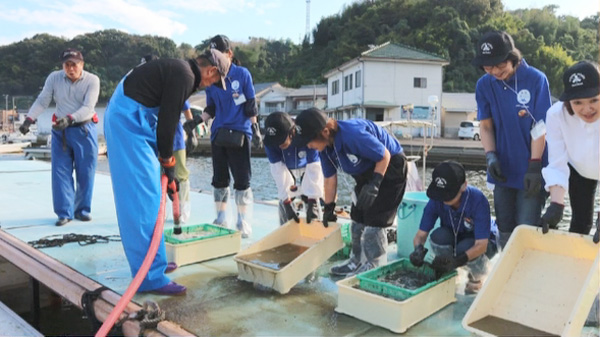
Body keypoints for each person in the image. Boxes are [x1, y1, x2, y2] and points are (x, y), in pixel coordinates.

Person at [104, 49, 230, 296]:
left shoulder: (180, 70)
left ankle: (155, 263)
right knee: (143, 200)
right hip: (127, 122)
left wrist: (166, 164)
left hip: (136, 119)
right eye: (215, 80)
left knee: (153, 198)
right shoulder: (184, 75)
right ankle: (148, 277)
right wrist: (169, 163)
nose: (211, 86)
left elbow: (164, 121)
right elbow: (168, 123)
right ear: (211, 71)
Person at [293, 108, 408, 276]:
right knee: (357, 218)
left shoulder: (352, 135)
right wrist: (329, 208)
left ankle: (374, 266)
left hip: (390, 168)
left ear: (324, 132)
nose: (308, 145)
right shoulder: (325, 149)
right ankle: (356, 261)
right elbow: (329, 180)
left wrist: (375, 185)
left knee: (374, 224)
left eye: (309, 140)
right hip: (367, 172)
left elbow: (384, 156)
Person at [472, 31, 552, 248]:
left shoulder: (536, 79)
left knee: (526, 226)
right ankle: (506, 273)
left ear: (512, 57)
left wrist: (535, 166)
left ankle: (528, 275)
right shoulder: (484, 85)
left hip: (531, 167)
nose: (495, 71)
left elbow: (540, 126)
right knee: (505, 226)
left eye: (499, 65)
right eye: (488, 68)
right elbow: (486, 125)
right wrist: (490, 156)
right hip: (503, 168)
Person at [184, 34, 262, 238]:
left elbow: (250, 104)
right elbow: (211, 108)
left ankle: (242, 221)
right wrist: (197, 121)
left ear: (229, 54)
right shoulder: (211, 77)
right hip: (218, 133)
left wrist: (255, 129)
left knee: (242, 180)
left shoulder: (242, 74)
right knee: (219, 180)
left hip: (239, 133)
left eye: (220, 52)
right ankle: (220, 217)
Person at [19, 48, 100, 227]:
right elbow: (42, 101)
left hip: (84, 130)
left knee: (85, 172)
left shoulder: (92, 80)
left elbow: (88, 107)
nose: (70, 69)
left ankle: (82, 210)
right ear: (63, 65)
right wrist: (29, 119)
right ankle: (64, 213)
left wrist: (70, 119)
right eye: (67, 65)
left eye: (74, 65)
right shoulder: (54, 78)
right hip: (60, 132)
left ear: (82, 65)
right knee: (60, 173)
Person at [410, 161, 498, 294]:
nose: (444, 199)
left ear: (464, 186)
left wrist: (459, 260)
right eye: (441, 194)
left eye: (448, 194)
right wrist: (417, 249)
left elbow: (481, 245)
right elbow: (421, 235)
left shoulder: (478, 200)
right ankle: (450, 271)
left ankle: (476, 278)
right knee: (438, 237)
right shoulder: (436, 199)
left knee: (466, 247)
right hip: (454, 235)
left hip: (481, 241)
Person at [540, 61, 600, 234]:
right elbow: (557, 162)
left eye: (594, 100)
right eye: (578, 102)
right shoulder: (556, 115)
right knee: (580, 225)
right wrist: (556, 205)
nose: (587, 109)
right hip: (578, 167)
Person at [263, 111, 324, 225]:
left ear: (291, 132)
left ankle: (316, 227)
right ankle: (285, 230)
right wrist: (287, 202)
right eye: (275, 141)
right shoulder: (270, 143)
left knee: (313, 203)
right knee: (285, 207)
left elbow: (314, 166)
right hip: (286, 168)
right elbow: (278, 172)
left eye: (281, 140)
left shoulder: (306, 132)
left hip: (307, 166)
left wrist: (312, 200)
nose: (278, 145)